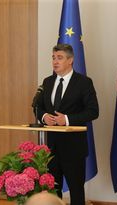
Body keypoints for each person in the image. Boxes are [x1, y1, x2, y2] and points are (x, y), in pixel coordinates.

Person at [36, 44, 99, 205]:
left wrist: (67, 119)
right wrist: (43, 117)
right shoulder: (48, 82)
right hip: (50, 148)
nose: (55, 62)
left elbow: (93, 111)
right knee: (52, 191)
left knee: (76, 191)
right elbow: (38, 106)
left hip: (74, 148)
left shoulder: (84, 82)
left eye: (60, 58)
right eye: (53, 58)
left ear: (70, 60)